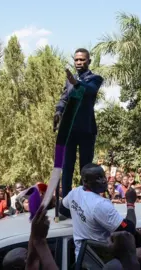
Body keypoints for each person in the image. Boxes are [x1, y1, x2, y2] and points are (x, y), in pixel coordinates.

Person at [54, 48, 104, 204]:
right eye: (76, 60)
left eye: (82, 60)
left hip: (86, 129)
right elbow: (64, 98)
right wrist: (58, 111)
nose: (79, 62)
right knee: (67, 166)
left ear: (89, 61)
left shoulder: (95, 78)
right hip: (69, 129)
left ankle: (86, 201)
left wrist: (77, 83)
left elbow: (89, 90)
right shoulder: (70, 80)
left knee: (86, 168)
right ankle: (67, 203)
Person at [61, 163, 136, 258]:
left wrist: (81, 215)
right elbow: (128, 230)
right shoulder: (100, 205)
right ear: (85, 181)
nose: (104, 180)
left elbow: (62, 210)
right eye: (98, 178)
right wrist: (130, 203)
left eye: (103, 176)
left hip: (82, 259)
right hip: (100, 262)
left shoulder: (75, 193)